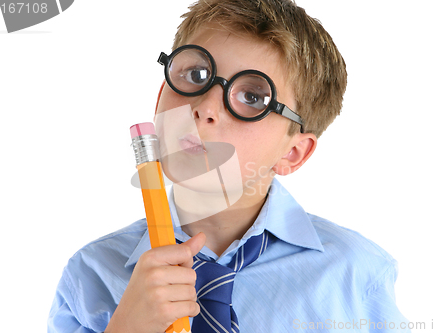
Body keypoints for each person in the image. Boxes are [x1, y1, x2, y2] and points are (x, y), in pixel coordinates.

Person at [48, 0, 410, 332]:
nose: (206, 107)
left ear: (292, 153)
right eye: (194, 76)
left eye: (253, 97)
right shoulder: (90, 275)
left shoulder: (356, 275)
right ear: (161, 97)